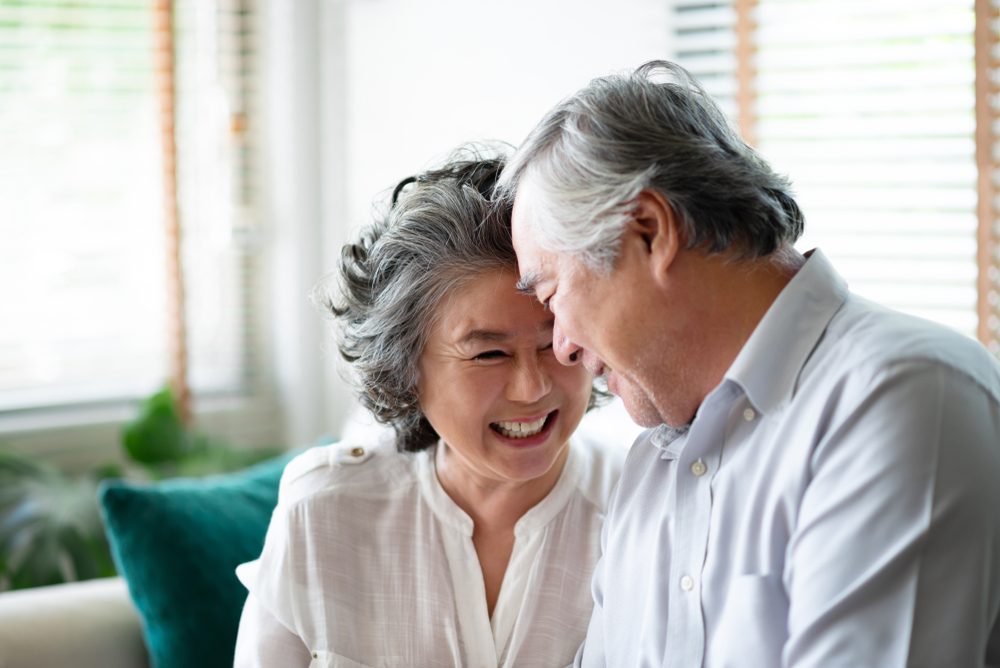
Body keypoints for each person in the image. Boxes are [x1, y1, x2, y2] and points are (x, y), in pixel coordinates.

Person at [498, 60, 1000, 666]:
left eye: (552, 294)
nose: (564, 347)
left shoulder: (902, 396)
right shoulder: (652, 467)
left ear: (651, 232)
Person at [232, 149, 624, 667]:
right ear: (406, 369)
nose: (531, 389)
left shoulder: (637, 509)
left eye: (554, 342)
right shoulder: (325, 510)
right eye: (488, 353)